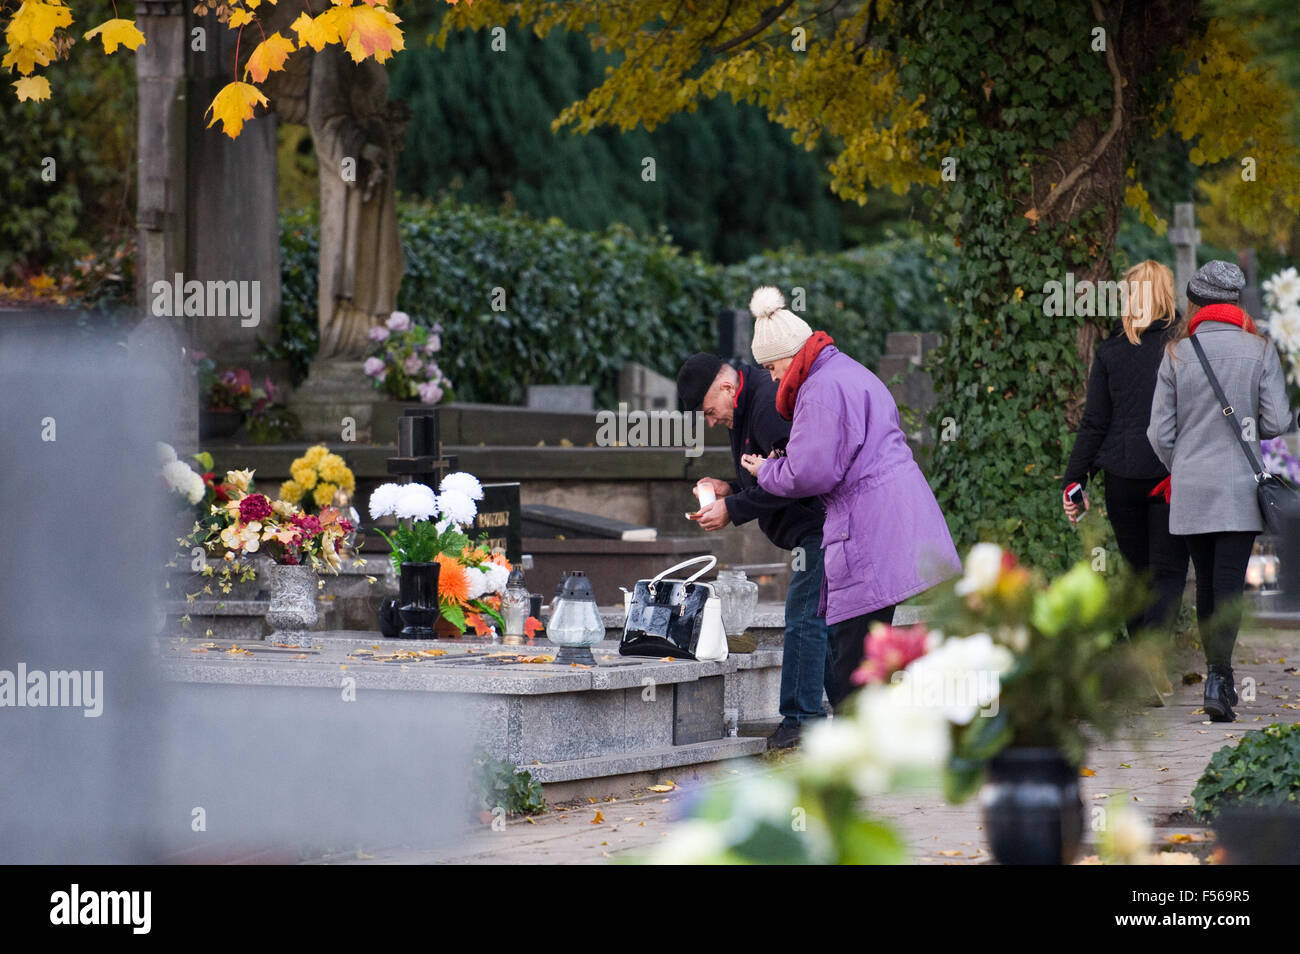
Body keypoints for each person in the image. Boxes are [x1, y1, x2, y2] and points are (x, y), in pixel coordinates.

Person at [738, 287, 962, 709]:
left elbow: (812, 472)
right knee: (872, 653)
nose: (770, 377)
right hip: (895, 516)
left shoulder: (820, 389)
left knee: (850, 670)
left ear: (792, 354)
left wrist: (765, 470)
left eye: (771, 366)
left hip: (867, 528)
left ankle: (862, 760)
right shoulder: (846, 371)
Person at [1147, 261, 1294, 722]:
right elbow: (1274, 422)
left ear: (1198, 302)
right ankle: (1218, 679)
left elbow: (1158, 432)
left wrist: (1183, 466)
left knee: (1205, 584)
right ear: (1235, 302)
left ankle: (1217, 678)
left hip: (1190, 488)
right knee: (1228, 586)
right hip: (1237, 488)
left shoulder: (1175, 353)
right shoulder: (1260, 349)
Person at [677, 353, 829, 750]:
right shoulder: (745, 402)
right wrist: (731, 487)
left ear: (727, 387)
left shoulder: (764, 406)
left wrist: (732, 509)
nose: (711, 422)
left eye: (710, 411)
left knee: (803, 618)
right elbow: (762, 473)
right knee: (819, 619)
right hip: (814, 529)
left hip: (823, 526)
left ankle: (800, 724)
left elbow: (793, 478)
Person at [1060, 260, 1189, 700]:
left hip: (1121, 477)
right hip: (1171, 475)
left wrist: (1073, 480)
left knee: (1137, 574)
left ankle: (1143, 665)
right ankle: (1150, 658)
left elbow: (1094, 422)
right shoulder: (1184, 350)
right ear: (1166, 296)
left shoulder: (1111, 352)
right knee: (1169, 572)